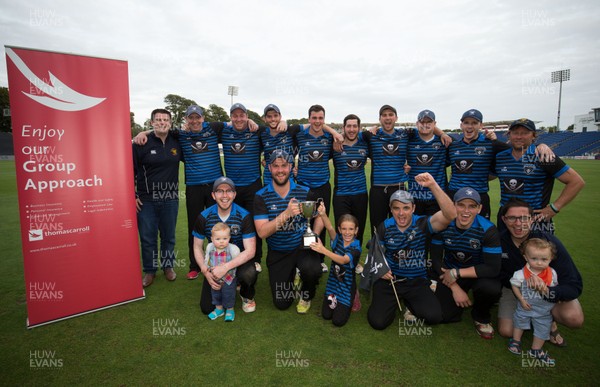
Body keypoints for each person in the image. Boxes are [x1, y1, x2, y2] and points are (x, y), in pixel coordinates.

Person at [133, 105, 230, 280]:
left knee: (214, 227)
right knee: (189, 228)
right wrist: (143, 132)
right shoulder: (170, 137)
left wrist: (252, 120)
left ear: (203, 118)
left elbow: (238, 123)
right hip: (177, 191)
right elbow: (130, 168)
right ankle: (163, 269)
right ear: (185, 119)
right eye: (190, 118)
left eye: (197, 117)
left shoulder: (206, 130)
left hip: (206, 189)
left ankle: (214, 264)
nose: (194, 121)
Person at [367, 172, 456, 330]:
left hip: (416, 281)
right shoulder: (384, 227)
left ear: (413, 208)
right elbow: (375, 252)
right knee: (378, 322)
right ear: (391, 209)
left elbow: (450, 215)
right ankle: (396, 301)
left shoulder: (423, 223)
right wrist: (381, 270)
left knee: (434, 317)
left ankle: (411, 302)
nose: (401, 213)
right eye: (396, 208)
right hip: (391, 280)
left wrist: (433, 185)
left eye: (406, 208)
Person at [497, 198, 584, 348]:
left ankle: (549, 321)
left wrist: (548, 291)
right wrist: (521, 284)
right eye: (512, 218)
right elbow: (496, 273)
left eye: (524, 218)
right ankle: (534, 318)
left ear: (531, 219)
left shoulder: (548, 243)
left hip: (548, 290)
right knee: (506, 331)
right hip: (515, 289)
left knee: (574, 318)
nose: (518, 223)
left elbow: (574, 284)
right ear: (504, 219)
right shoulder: (499, 241)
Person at [446, 110, 554, 220]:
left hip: (479, 196)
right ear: (461, 125)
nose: (470, 126)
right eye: (466, 123)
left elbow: (518, 147)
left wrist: (540, 145)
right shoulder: (452, 145)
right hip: (454, 194)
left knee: (480, 231)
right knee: (451, 228)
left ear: (481, 126)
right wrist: (441, 133)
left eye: (474, 123)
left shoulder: (491, 144)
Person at [254, 149, 324, 314]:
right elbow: (262, 233)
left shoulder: (304, 191)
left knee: (313, 270)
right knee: (282, 303)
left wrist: (315, 234)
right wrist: (286, 214)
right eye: (276, 166)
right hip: (278, 251)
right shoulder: (261, 196)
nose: (280, 170)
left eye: (284, 165)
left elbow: (320, 215)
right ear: (269, 168)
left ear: (291, 167)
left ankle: (306, 294)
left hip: (301, 247)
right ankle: (294, 274)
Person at [431, 187, 502, 339]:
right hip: (451, 274)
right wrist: (454, 286)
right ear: (453, 206)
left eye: (472, 206)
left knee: (490, 289)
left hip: (477, 273)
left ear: (480, 208)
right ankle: (458, 300)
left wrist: (457, 273)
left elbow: (493, 268)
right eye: (461, 205)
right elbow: (436, 259)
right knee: (443, 316)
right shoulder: (443, 225)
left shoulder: (488, 229)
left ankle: (481, 316)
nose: (466, 211)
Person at [494, 118, 585, 232]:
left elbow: (576, 181)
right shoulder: (500, 157)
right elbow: (490, 175)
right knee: (505, 249)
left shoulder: (543, 156)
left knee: (539, 250)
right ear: (509, 135)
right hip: (506, 217)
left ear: (533, 136)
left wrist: (554, 208)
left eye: (525, 133)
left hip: (535, 218)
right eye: (515, 133)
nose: (519, 136)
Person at [192, 177, 258, 314]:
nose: (224, 195)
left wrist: (226, 268)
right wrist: (205, 271)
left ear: (234, 194)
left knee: (249, 273)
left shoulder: (244, 215)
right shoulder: (204, 216)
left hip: (237, 261)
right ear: (213, 195)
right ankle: (227, 285)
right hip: (215, 262)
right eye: (220, 191)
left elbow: (251, 251)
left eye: (229, 191)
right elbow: (197, 246)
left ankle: (246, 294)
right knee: (207, 308)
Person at [133, 108, 181, 287]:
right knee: (148, 237)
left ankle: (168, 267)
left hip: (170, 197)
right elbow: (129, 171)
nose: (162, 122)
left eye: (165, 120)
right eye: (158, 120)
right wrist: (133, 195)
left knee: (168, 236)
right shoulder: (140, 143)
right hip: (147, 200)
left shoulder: (177, 141)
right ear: (151, 122)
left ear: (170, 122)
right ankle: (150, 271)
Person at [292, 104, 335, 272]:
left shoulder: (329, 138)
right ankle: (301, 259)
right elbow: (290, 154)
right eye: (314, 118)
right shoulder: (299, 136)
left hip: (323, 185)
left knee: (322, 220)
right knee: (302, 222)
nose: (317, 121)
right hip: (303, 186)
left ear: (324, 120)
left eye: (321, 118)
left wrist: (333, 131)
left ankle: (319, 258)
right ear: (309, 119)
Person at [508, 238, 558, 364]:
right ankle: (516, 341)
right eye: (534, 258)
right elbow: (514, 285)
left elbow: (555, 288)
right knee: (519, 321)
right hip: (526, 306)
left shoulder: (552, 273)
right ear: (526, 257)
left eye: (544, 259)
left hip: (544, 310)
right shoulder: (520, 274)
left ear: (550, 258)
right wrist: (521, 299)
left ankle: (536, 349)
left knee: (543, 327)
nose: (539, 263)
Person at [310, 209, 362, 327]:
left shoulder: (356, 248)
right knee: (326, 315)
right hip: (333, 285)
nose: (347, 232)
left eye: (351, 229)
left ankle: (354, 296)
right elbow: (329, 228)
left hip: (346, 287)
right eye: (344, 229)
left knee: (338, 321)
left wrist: (323, 250)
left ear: (356, 230)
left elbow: (343, 260)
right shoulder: (338, 239)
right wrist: (323, 214)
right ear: (340, 229)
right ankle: (337, 300)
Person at [367, 105, 409, 232]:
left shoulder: (405, 135)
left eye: (391, 115)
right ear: (379, 119)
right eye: (384, 115)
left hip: (399, 187)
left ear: (396, 118)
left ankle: (400, 252)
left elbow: (426, 128)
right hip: (378, 189)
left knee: (401, 225)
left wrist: (442, 134)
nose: (387, 118)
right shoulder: (371, 136)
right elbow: (349, 135)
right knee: (378, 226)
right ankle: (377, 252)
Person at [331, 114, 369, 246]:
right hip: (341, 195)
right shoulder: (335, 145)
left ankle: (357, 262)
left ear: (359, 128)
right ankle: (341, 262)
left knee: (358, 229)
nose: (351, 129)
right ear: (343, 128)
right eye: (349, 126)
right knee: (342, 230)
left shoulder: (365, 144)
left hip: (360, 194)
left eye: (354, 126)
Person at [406, 110, 448, 216]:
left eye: (429, 122)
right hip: (415, 197)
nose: (425, 125)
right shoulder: (408, 140)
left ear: (435, 124)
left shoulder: (444, 142)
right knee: (416, 231)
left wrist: (442, 133)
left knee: (436, 231)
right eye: (422, 122)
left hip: (437, 197)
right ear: (417, 124)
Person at [204, 222, 241, 322]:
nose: (221, 242)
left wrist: (226, 267)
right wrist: (208, 269)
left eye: (225, 239)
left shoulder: (233, 249)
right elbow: (206, 260)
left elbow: (237, 263)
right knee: (215, 293)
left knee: (228, 294)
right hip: (215, 278)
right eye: (218, 239)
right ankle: (219, 309)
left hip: (229, 278)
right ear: (212, 239)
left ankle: (230, 309)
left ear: (229, 238)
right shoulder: (210, 247)